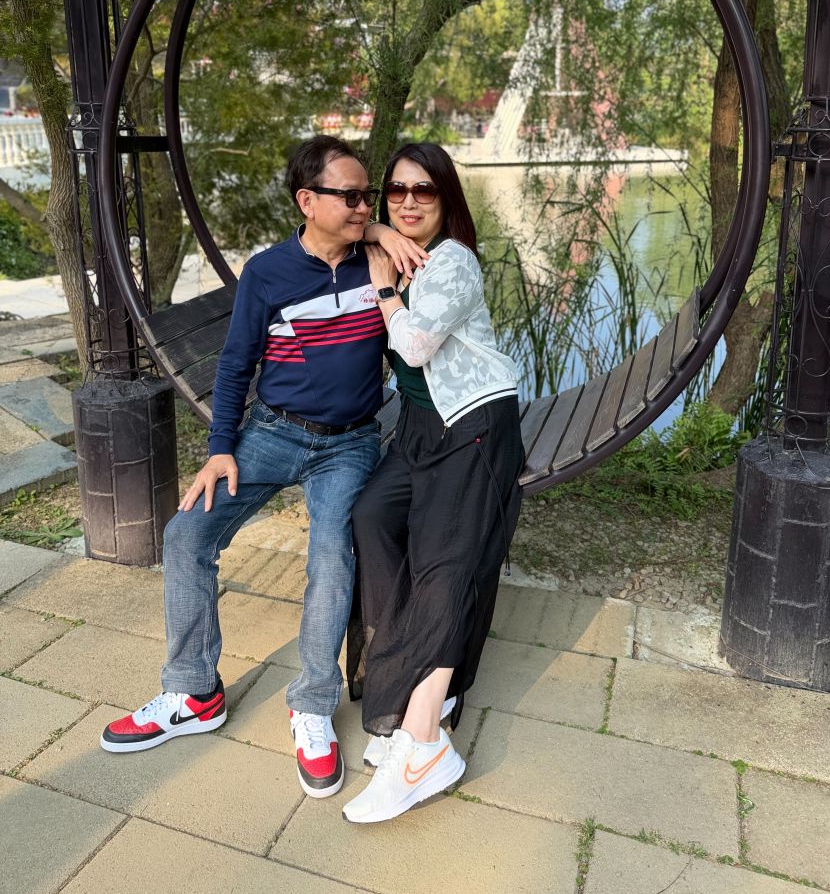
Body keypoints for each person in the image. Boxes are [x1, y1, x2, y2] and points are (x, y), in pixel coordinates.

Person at [99, 135, 424, 802]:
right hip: (271, 433)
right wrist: (221, 447)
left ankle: (312, 706)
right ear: (307, 200)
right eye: (352, 196)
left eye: (370, 196)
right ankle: (193, 693)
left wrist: (384, 234)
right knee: (187, 534)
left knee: (332, 554)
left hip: (349, 445)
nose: (367, 206)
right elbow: (235, 363)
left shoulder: (380, 263)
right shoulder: (269, 272)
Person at [343, 142, 525, 824]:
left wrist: (386, 289)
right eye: (396, 191)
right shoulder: (392, 241)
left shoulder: (454, 262)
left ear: (447, 199)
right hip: (421, 429)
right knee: (372, 517)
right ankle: (407, 675)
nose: (409, 201)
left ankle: (423, 745)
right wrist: (377, 230)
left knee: (446, 563)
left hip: (474, 424)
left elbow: (415, 346)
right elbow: (327, 217)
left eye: (424, 190)